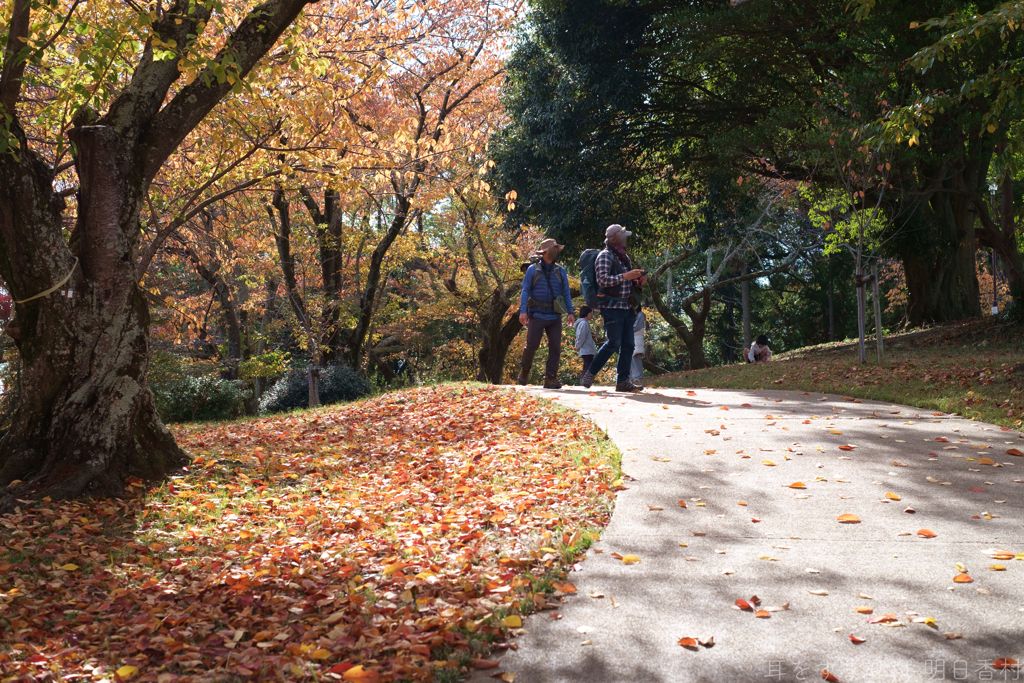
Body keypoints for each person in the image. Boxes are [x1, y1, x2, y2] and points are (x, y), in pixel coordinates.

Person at [580, 224, 647, 393]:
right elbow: (603, 280)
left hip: (627, 307)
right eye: (623, 236)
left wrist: (638, 281)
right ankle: (590, 373)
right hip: (611, 307)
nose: (626, 239)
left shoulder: (624, 257)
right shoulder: (604, 256)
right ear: (614, 238)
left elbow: (627, 283)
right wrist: (626, 276)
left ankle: (623, 381)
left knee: (629, 345)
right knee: (613, 342)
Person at [519, 238, 575, 388]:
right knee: (532, 345)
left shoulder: (560, 271)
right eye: (554, 248)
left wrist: (570, 312)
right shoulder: (533, 270)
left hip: (555, 315)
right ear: (545, 252)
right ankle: (524, 371)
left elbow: (566, 293)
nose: (556, 251)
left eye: (557, 248)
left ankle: (551, 378)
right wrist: (523, 311)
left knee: (555, 347)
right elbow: (525, 290)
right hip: (536, 314)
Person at [573, 306, 597, 383]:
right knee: (588, 366)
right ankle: (585, 381)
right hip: (586, 349)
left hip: (586, 349)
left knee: (586, 365)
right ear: (586, 314)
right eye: (590, 313)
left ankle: (583, 381)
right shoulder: (584, 323)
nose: (591, 315)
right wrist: (577, 346)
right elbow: (581, 336)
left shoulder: (584, 323)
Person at [630, 309, 646, 382]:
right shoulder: (632, 315)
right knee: (630, 359)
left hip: (637, 338)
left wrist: (627, 330)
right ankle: (631, 378)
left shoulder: (640, 315)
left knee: (636, 357)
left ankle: (639, 377)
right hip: (631, 338)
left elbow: (637, 327)